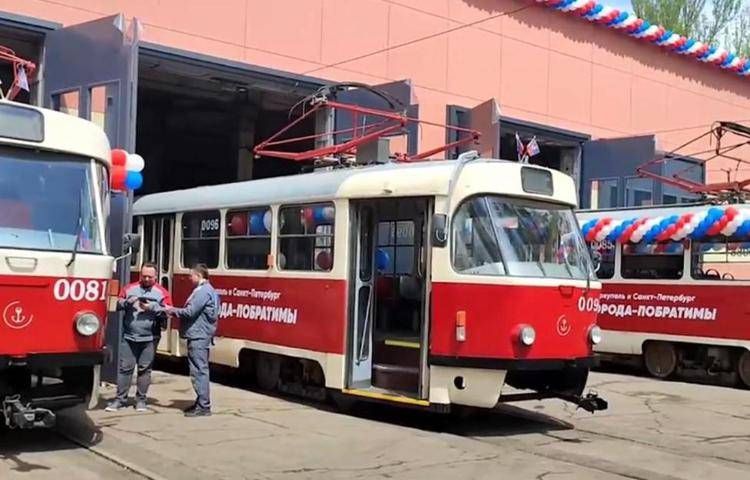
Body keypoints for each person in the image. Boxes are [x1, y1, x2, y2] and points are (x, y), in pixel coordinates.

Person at [106, 263, 172, 412]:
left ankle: (141, 401)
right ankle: (119, 400)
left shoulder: (162, 292)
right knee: (125, 368)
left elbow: (169, 311)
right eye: (144, 276)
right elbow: (113, 305)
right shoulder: (130, 288)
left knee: (145, 369)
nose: (146, 279)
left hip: (150, 338)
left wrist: (152, 307)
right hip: (129, 336)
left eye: (150, 276)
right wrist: (126, 303)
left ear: (156, 276)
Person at [166, 264, 220, 417]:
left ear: (198, 275)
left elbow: (190, 312)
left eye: (191, 275)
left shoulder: (203, 292)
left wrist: (171, 310)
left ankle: (203, 405)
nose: (189, 278)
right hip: (201, 334)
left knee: (198, 370)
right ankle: (201, 402)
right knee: (199, 369)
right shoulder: (209, 290)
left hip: (198, 335)